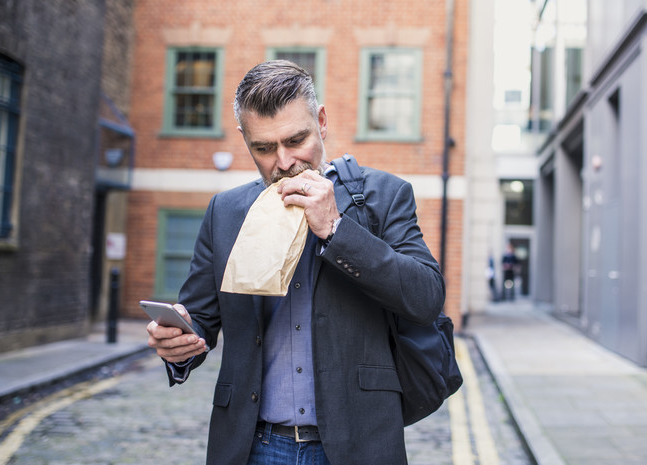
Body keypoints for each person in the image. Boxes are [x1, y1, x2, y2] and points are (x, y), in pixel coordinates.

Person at [146, 60, 445, 465]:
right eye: (264, 148)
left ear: (321, 122)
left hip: (358, 444)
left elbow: (426, 299)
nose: (284, 161)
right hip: (253, 446)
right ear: (245, 139)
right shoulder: (226, 212)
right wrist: (179, 343)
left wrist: (337, 229)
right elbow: (199, 319)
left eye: (296, 140)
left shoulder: (386, 196)